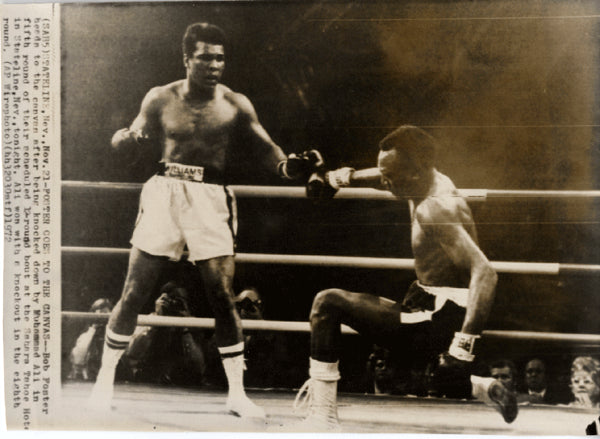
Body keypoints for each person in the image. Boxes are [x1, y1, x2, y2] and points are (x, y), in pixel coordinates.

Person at [89, 22, 321, 419]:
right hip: (164, 192)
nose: (215, 65)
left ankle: (236, 393)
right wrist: (125, 139)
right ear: (186, 59)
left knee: (221, 294)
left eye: (220, 58)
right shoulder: (160, 97)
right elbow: (126, 135)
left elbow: (268, 149)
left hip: (210, 197)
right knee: (134, 291)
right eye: (205, 57)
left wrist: (289, 168)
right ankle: (103, 384)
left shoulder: (235, 103)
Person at [292, 125, 517, 430]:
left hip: (442, 313)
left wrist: (463, 347)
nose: (384, 181)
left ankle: (322, 418)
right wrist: (338, 178)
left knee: (327, 303)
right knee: (406, 368)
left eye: (390, 175)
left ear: (414, 172)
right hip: (429, 299)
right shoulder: (424, 178)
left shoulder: (435, 208)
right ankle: (483, 388)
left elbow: (485, 273)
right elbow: (385, 174)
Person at [119, 282, 207, 386]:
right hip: (148, 381)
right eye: (172, 298)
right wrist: (156, 322)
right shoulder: (149, 320)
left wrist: (185, 327)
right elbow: (131, 353)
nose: (174, 303)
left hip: (182, 383)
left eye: (180, 300)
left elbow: (200, 368)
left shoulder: (194, 324)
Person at [68, 298, 113, 381]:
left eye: (106, 312)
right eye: (101, 312)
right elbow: (79, 357)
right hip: (88, 372)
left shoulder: (113, 332)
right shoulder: (87, 332)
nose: (103, 314)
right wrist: (93, 329)